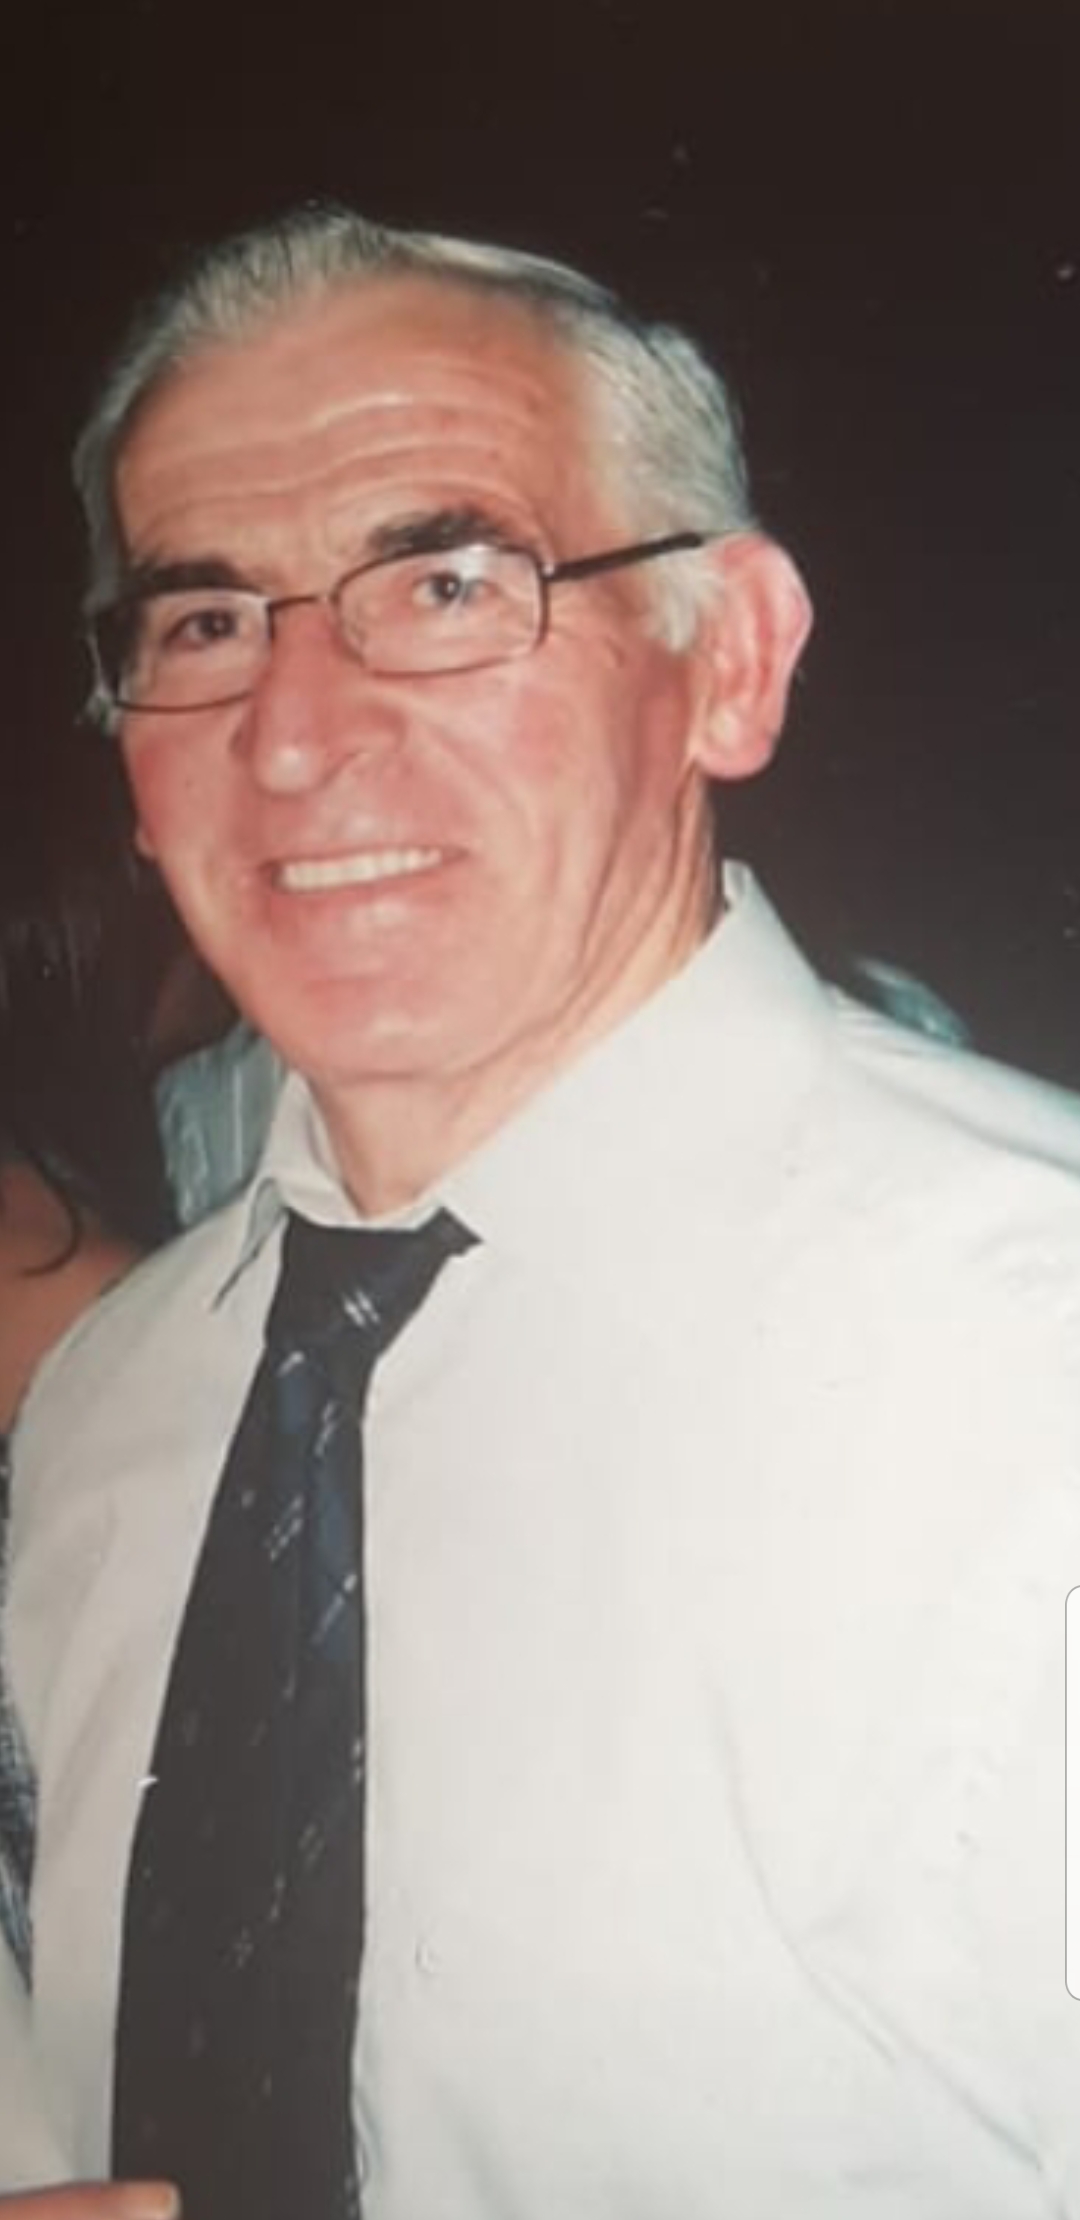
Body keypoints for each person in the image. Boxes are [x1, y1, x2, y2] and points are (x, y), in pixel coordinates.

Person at [3, 206, 1080, 2217]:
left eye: (444, 583)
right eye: (205, 621)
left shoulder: (1037, 1385)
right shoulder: (106, 1418)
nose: (292, 735)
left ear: (727, 661)